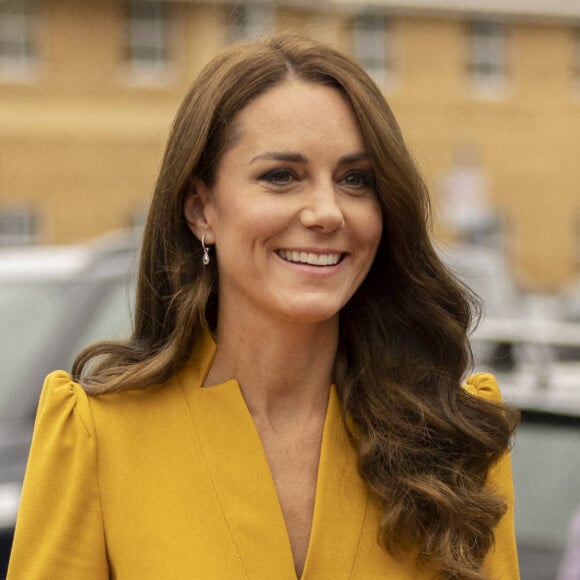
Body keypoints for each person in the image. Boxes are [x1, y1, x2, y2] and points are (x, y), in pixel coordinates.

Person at [7, 33, 519, 580]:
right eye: (281, 176)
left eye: (355, 180)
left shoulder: (454, 435)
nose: (326, 212)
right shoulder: (97, 436)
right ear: (201, 209)